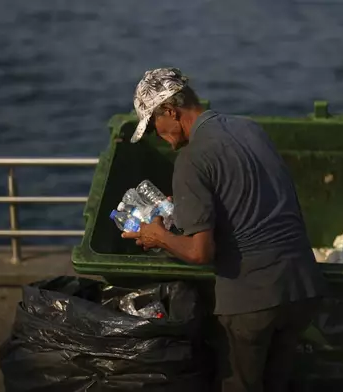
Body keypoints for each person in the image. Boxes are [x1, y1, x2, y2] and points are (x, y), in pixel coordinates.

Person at [122, 67, 328, 392]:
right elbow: (251, 198)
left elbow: (201, 253)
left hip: (253, 298)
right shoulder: (249, 128)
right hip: (302, 285)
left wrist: (157, 236)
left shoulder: (191, 160)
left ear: (171, 112)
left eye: (153, 127)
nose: (156, 135)